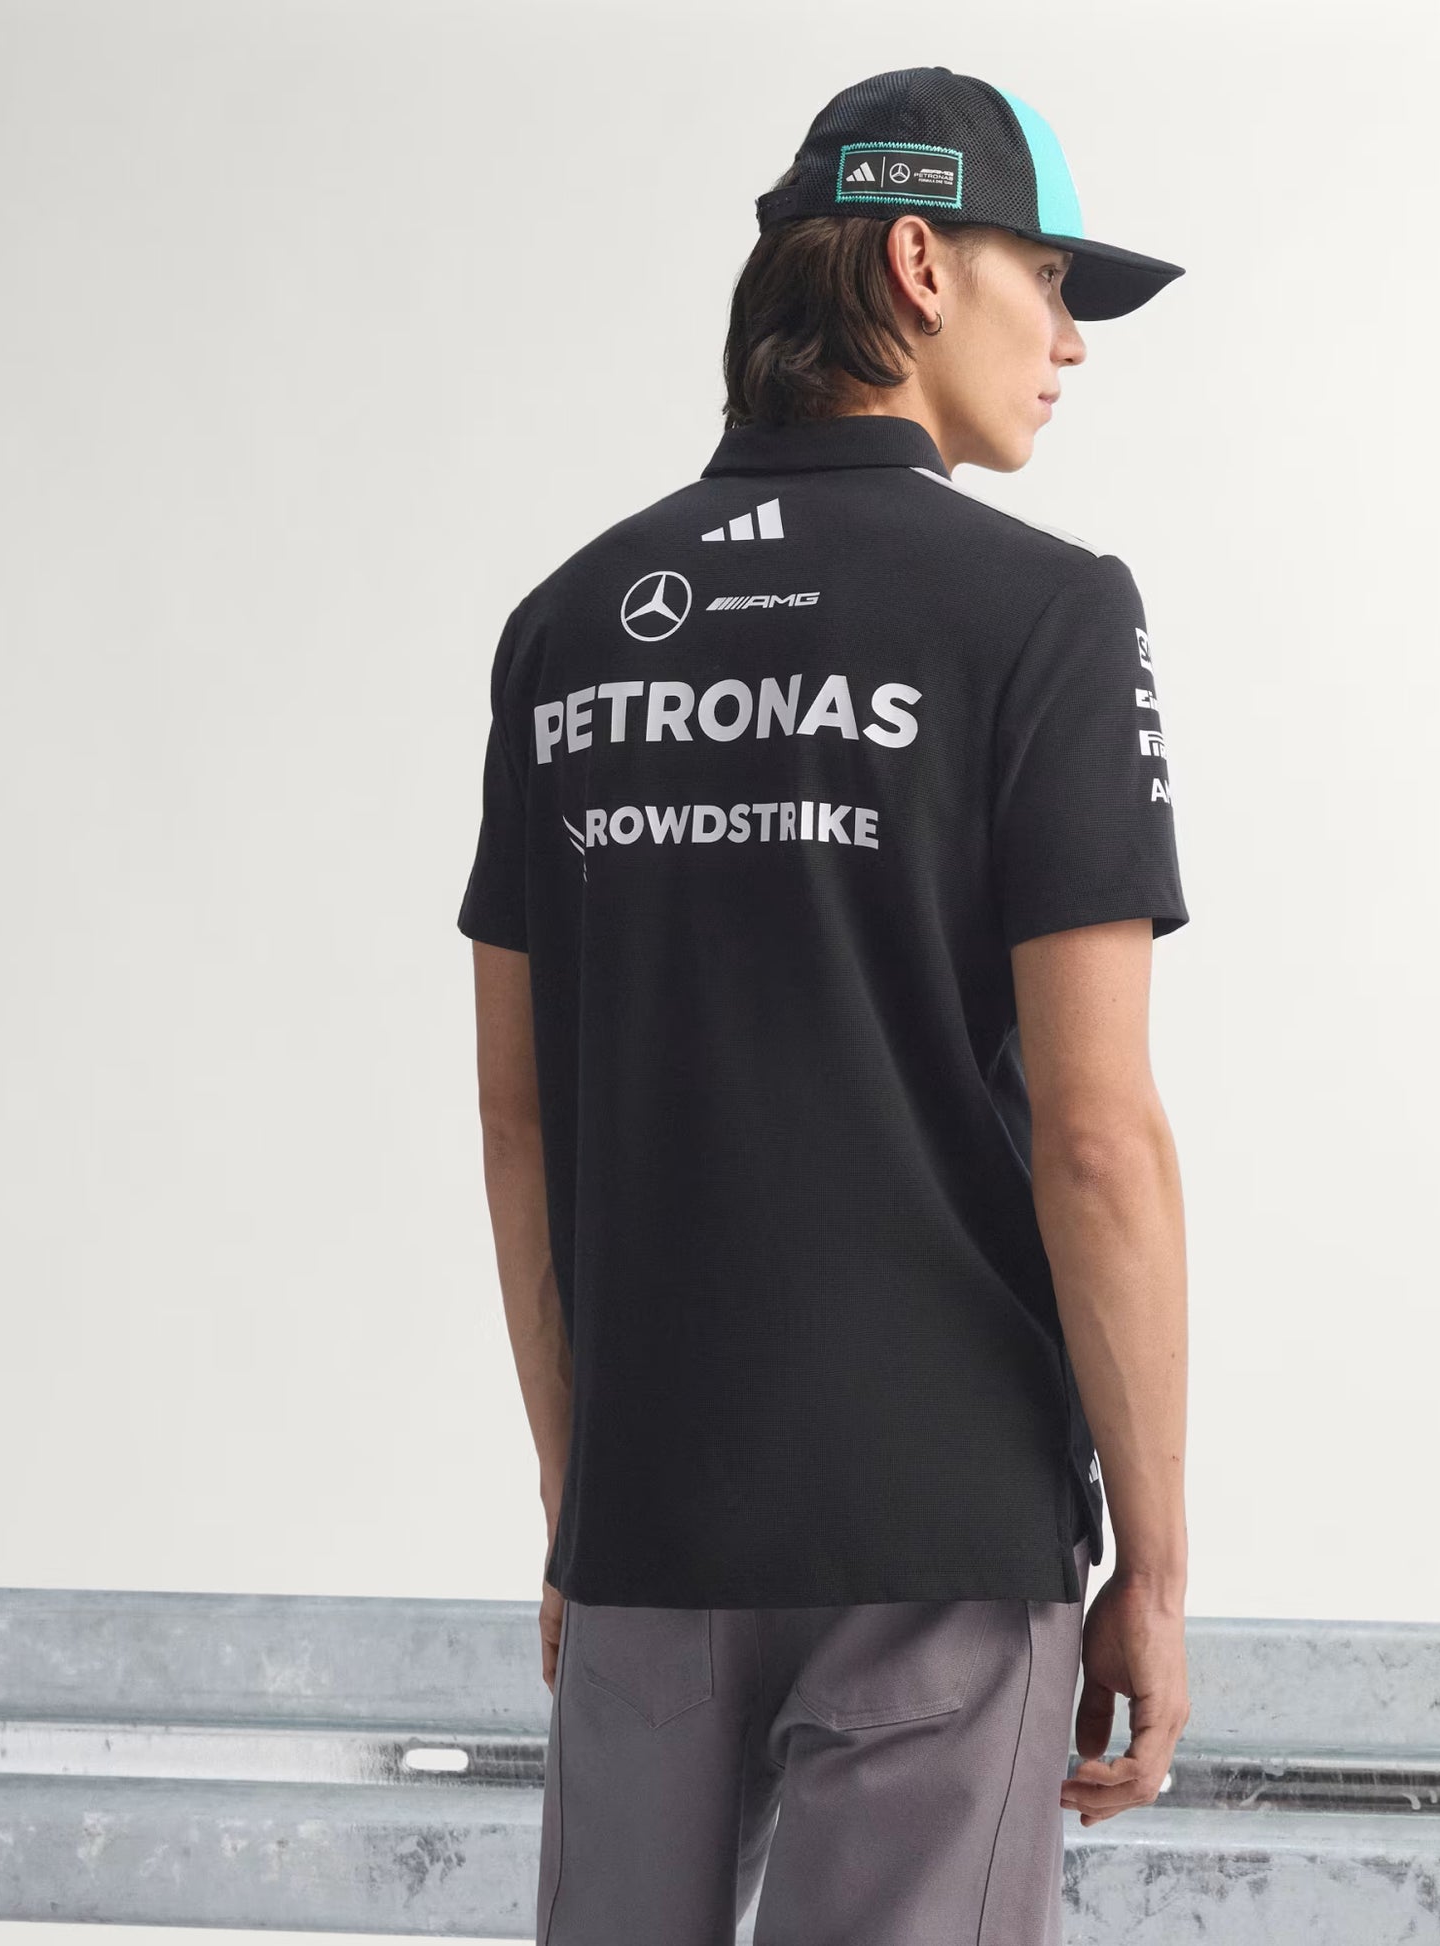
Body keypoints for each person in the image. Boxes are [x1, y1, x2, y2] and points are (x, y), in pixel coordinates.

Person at [456, 63, 1193, 1946]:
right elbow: (1097, 1137)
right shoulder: (1045, 616)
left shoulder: (562, 625)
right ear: (920, 263)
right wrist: (1155, 1567)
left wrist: (577, 1496)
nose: (1071, 345)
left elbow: (518, 1117)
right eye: (1052, 284)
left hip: (648, 1516)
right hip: (934, 1526)